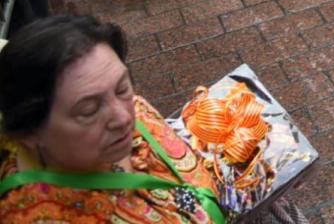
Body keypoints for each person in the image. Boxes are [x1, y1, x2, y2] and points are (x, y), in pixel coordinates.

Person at [0, 16, 225, 223]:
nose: (124, 117)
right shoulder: (41, 215)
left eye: (122, 88)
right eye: (88, 110)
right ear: (29, 133)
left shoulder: (130, 111)